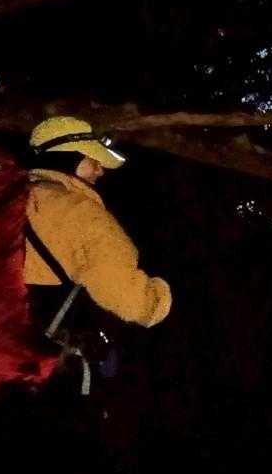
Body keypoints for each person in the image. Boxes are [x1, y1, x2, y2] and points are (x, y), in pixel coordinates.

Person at [24, 116, 172, 330]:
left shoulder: (11, 197)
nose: (100, 171)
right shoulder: (82, 213)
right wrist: (158, 301)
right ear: (69, 157)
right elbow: (128, 297)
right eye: (93, 160)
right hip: (20, 337)